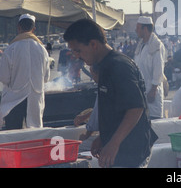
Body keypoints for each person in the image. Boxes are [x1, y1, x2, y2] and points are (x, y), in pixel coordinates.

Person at [63, 18, 157, 168]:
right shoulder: (104, 66)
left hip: (131, 149)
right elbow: (114, 108)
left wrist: (113, 143)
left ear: (93, 44)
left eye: (78, 50)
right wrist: (103, 137)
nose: (76, 56)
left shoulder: (119, 66)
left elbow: (135, 108)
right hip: (119, 146)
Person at [0, 14, 50, 130]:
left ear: (19, 28)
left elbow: (3, 77)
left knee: (14, 132)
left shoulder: (11, 49)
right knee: (34, 132)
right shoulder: (42, 50)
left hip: (14, 100)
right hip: (34, 98)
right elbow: (46, 78)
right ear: (33, 29)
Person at [134, 16, 166, 120]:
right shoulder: (141, 45)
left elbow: (158, 68)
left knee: (154, 124)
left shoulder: (157, 45)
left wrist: (153, 90)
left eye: (138, 28)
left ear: (145, 29)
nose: (136, 30)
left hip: (152, 93)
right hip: (141, 93)